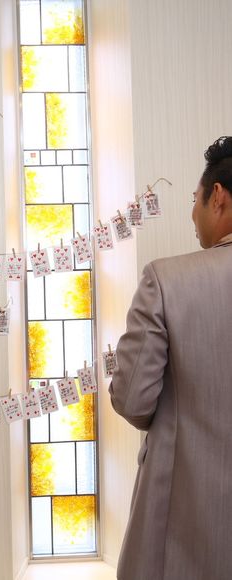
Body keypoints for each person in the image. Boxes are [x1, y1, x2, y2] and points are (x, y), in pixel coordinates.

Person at [109, 136, 232, 580]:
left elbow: (132, 400)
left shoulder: (166, 280)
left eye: (194, 200)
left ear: (217, 196)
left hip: (182, 515)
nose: (192, 214)